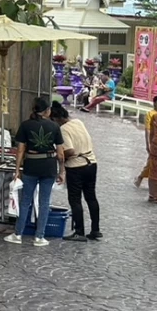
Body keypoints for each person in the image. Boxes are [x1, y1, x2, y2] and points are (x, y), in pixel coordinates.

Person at [5, 96, 64, 247]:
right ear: (47, 111)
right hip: (49, 166)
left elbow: (20, 151)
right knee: (44, 202)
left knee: (25, 201)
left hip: (31, 165)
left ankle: (18, 234)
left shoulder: (25, 125)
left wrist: (17, 170)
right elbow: (60, 154)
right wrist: (62, 171)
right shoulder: (55, 127)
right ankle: (39, 237)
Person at [49, 103, 100, 241]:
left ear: (56, 119)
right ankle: (95, 229)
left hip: (76, 167)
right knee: (91, 197)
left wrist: (57, 156)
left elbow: (70, 151)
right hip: (91, 163)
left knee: (75, 199)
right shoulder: (78, 121)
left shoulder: (63, 129)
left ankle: (79, 232)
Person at [133, 95, 157, 188]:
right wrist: (148, 144)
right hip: (153, 141)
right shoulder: (150, 114)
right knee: (151, 162)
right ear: (154, 103)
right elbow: (148, 130)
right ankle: (140, 177)